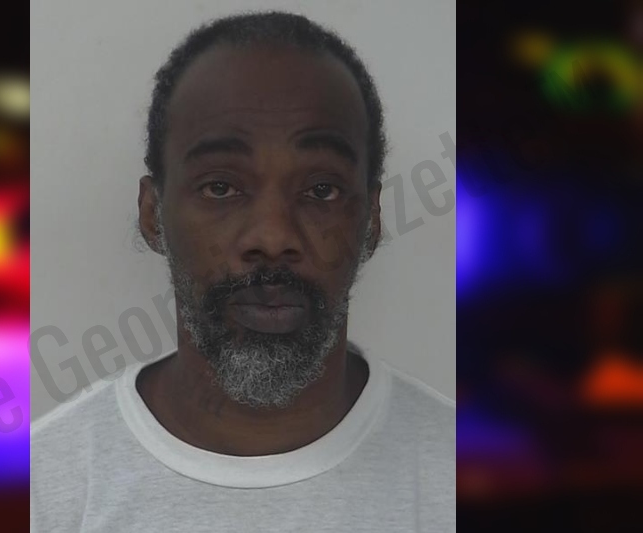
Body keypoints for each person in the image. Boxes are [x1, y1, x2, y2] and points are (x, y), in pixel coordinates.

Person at [32, 11, 454, 532]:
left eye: (321, 190)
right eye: (221, 187)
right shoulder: (42, 490)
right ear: (153, 214)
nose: (272, 237)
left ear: (371, 219)